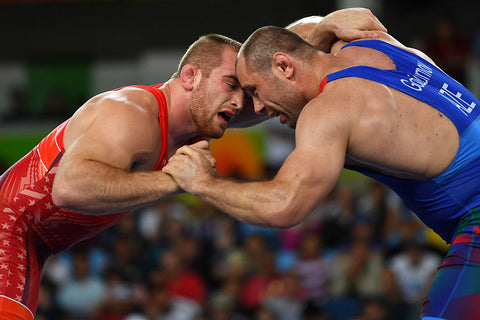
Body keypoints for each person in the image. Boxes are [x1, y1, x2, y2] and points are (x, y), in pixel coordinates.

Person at [0, 8, 386, 320]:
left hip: (35, 244)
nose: (241, 103)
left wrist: (322, 28)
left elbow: (268, 68)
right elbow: (70, 186)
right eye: (231, 86)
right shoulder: (133, 115)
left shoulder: (197, 122)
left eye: (245, 91)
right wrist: (174, 181)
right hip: (10, 229)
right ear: (190, 76)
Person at [162, 14, 480, 320]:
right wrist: (325, 25)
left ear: (284, 66)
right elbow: (321, 25)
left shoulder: (328, 111)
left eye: (254, 91)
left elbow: (284, 206)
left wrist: (202, 183)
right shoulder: (367, 44)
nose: (256, 108)